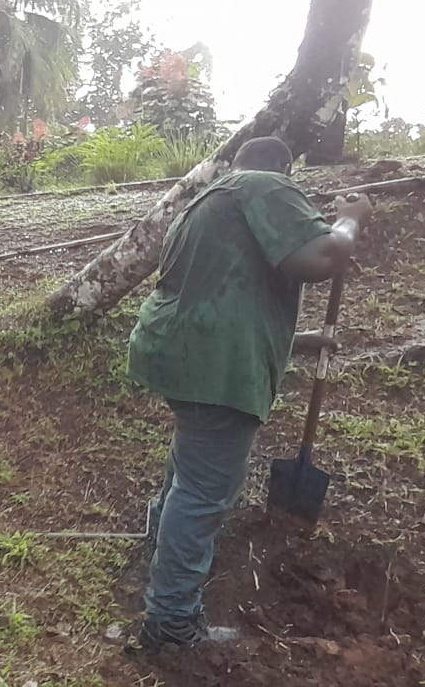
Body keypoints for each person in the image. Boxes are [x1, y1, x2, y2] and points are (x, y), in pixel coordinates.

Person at [128, 136, 373, 650]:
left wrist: (302, 340)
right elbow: (323, 256)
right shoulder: (264, 185)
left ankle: (160, 544)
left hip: (179, 349)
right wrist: (351, 218)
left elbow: (227, 290)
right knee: (204, 491)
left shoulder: (203, 205)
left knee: (192, 465)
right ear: (284, 169)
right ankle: (170, 623)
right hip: (216, 364)